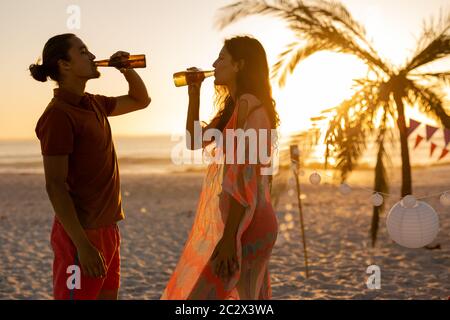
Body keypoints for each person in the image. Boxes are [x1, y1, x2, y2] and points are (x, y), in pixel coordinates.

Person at [30, 33, 151, 300]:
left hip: (108, 229)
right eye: (83, 52)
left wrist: (126, 69)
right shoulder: (58, 116)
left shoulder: (94, 103)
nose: (93, 56)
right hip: (80, 235)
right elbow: (55, 186)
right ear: (65, 64)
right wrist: (82, 245)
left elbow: (140, 100)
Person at [162, 36, 279, 299]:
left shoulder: (249, 106)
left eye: (222, 58)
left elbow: (243, 177)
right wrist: (194, 94)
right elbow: (194, 140)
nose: (214, 64)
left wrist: (229, 239)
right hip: (242, 222)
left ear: (239, 65)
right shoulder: (236, 108)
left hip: (248, 223)